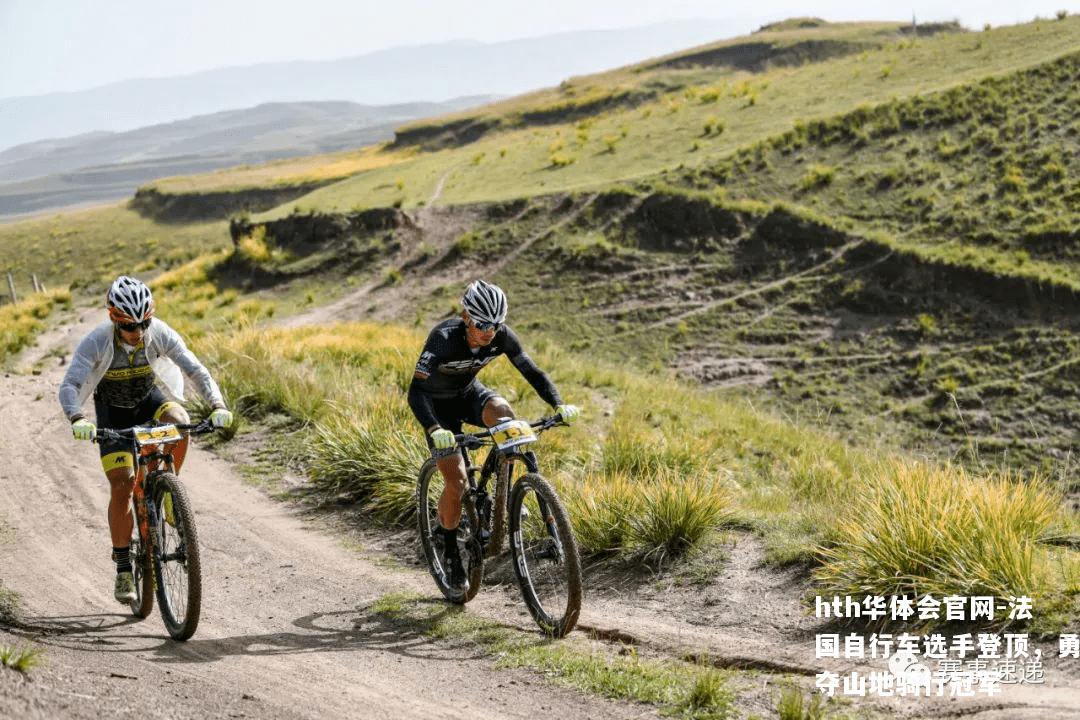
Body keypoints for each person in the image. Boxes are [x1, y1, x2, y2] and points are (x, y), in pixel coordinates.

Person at [58, 276, 233, 604]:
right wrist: (77, 417)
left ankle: (168, 491)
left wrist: (218, 405)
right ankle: (123, 565)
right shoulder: (96, 341)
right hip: (112, 413)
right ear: (114, 318)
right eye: (129, 325)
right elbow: (70, 384)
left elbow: (195, 369)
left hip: (148, 401)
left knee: (180, 422)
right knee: (122, 484)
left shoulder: (160, 333)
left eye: (144, 323)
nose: (138, 332)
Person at [408, 280, 579, 591]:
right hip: (438, 409)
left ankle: (502, 498)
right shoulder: (443, 339)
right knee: (456, 481)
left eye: (497, 324)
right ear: (466, 316)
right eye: (483, 324)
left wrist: (558, 403)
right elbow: (416, 391)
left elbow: (531, 370)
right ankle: (448, 548)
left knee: (505, 416)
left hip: (468, 394)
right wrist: (435, 428)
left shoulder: (500, 335)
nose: (490, 331)